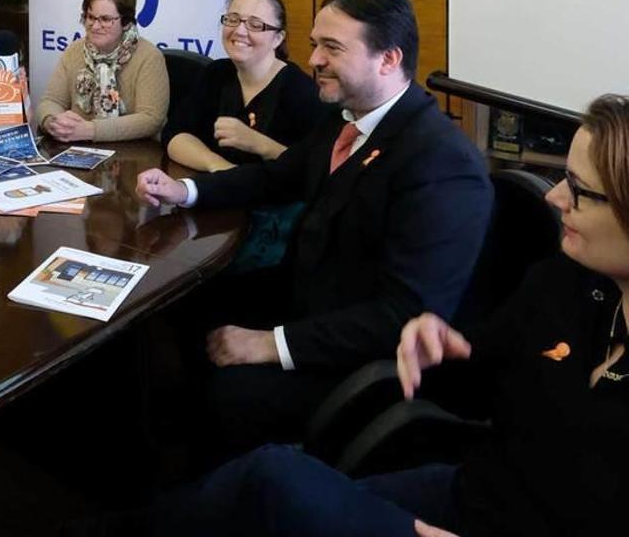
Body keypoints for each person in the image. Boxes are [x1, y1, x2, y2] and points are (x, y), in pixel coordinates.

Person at [152, 93, 629, 537]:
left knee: (273, 480)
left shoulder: (436, 159)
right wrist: (437, 347)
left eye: (580, 191)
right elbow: (484, 384)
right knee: (264, 488)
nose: (555, 198)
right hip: (473, 496)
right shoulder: (565, 283)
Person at [136, 0, 492, 453]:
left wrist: (271, 344)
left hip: (357, 358)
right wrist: (187, 190)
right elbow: (276, 177)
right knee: (181, 308)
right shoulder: (345, 119)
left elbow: (402, 315)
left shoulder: (442, 163)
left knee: (229, 395)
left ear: (388, 59)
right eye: (314, 44)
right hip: (308, 298)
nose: (314, 59)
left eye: (333, 48)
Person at [164, 0, 322, 172]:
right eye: (233, 19)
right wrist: (220, 168)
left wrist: (262, 145)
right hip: (213, 191)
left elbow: (316, 169)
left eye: (255, 25)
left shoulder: (301, 91)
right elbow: (175, 135)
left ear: (278, 38)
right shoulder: (216, 73)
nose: (239, 31)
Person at [37, 0, 168, 143]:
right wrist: (53, 122)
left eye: (105, 19)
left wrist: (91, 130)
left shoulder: (149, 57)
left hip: (133, 154)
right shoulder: (74, 51)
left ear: (126, 22)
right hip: (77, 148)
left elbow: (151, 119)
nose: (95, 26)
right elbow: (50, 101)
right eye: (91, 17)